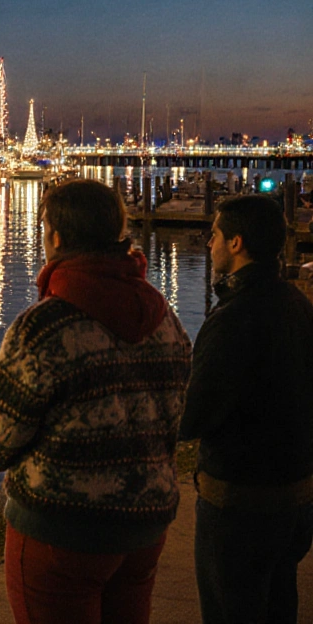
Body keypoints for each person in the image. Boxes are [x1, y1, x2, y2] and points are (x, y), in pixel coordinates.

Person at [0, 179, 192, 624]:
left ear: (55, 236)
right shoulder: (165, 319)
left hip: (62, 530)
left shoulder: (44, 327)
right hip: (146, 524)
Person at [180, 195, 313, 624]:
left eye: (214, 235)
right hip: (294, 493)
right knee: (279, 605)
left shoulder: (232, 319)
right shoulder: (297, 306)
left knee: (230, 609)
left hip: (239, 502)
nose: (209, 245)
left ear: (236, 243)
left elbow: (194, 414)